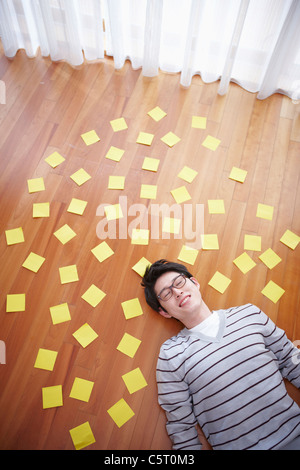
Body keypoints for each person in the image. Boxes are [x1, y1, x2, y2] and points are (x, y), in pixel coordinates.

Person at [141, 259, 300, 450]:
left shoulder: (250, 314)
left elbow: (293, 362)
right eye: (166, 293)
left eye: (179, 282)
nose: (177, 292)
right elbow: (180, 424)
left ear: (195, 283)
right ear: (164, 312)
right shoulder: (171, 355)